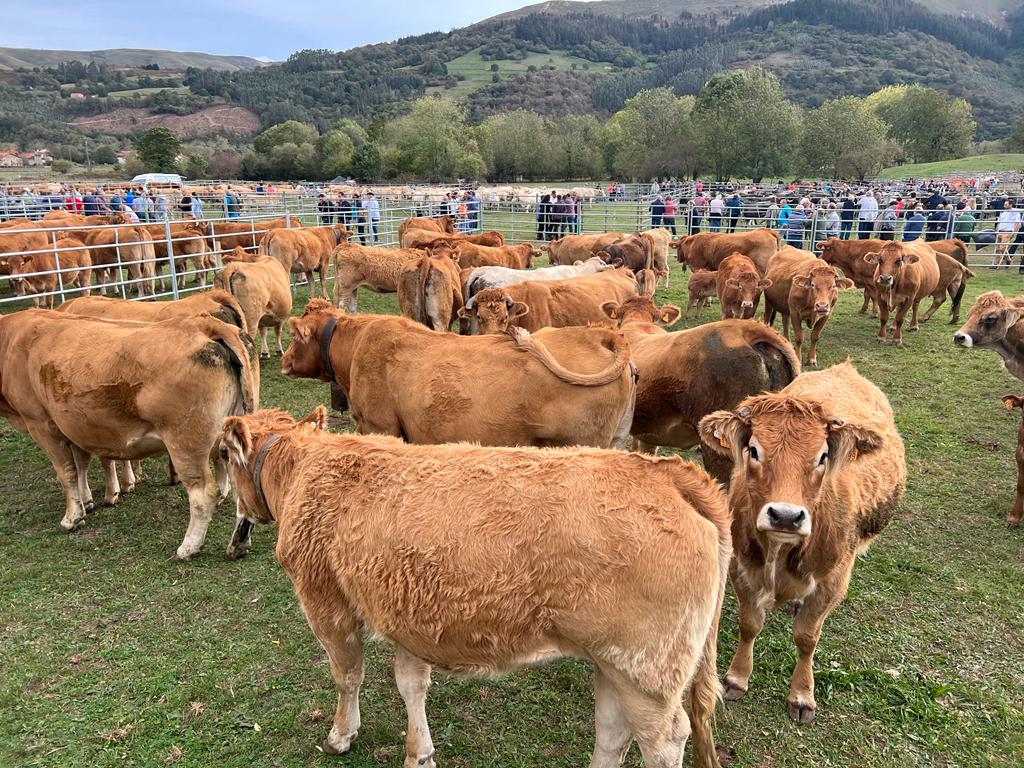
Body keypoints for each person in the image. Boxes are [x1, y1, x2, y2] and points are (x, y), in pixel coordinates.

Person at [995, 198, 1021, 267]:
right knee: (998, 249)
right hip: (1000, 231)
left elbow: (1017, 223)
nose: (1004, 206)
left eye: (1006, 204)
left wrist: (1013, 233)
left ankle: (998, 264)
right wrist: (997, 231)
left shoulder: (1015, 213)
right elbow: (999, 222)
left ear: (1011, 205)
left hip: (1008, 232)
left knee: (1002, 248)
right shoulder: (1003, 212)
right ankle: (1007, 260)